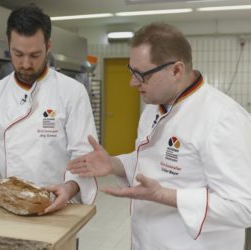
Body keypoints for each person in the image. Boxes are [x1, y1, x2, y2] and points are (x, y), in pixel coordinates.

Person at [68, 23, 251, 250]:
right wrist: (114, 164)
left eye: (141, 75)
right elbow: (152, 162)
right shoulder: (153, 109)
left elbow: (244, 207)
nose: (132, 83)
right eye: (131, 71)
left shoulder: (223, 118)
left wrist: (165, 195)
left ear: (176, 70)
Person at [0, 4, 98, 214]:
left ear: (48, 46)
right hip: (5, 206)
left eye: (35, 55)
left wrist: (69, 188)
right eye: (18, 54)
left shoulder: (72, 92)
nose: (26, 64)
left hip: (57, 207)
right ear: (8, 44)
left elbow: (83, 155)